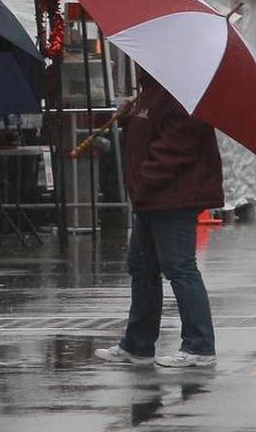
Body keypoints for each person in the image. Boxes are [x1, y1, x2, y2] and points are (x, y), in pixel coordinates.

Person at [94, 69, 223, 368]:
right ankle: (138, 345)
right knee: (142, 268)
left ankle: (200, 346)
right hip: (151, 195)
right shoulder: (152, 90)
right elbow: (148, 132)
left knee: (179, 268)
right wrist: (129, 115)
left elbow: (179, 144)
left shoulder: (182, 92)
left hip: (173, 196)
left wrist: (146, 176)